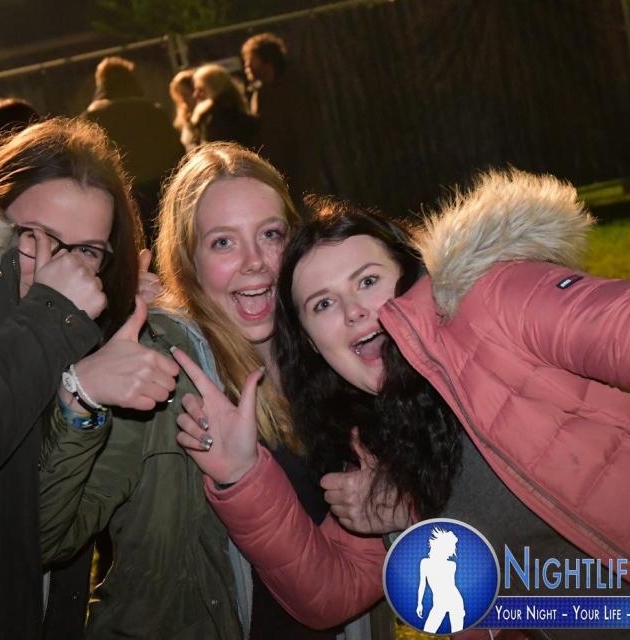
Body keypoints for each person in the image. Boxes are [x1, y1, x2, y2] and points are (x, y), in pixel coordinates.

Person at [175, 169, 630, 640]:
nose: (353, 311)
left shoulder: (495, 303)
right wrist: (242, 475)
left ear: (410, 275)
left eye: (368, 281)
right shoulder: (375, 441)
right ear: (311, 344)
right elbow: (330, 592)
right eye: (323, 304)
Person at [38, 141, 387, 639]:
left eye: (271, 234)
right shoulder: (163, 367)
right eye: (224, 243)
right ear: (188, 260)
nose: (255, 263)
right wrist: (81, 398)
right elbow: (44, 537)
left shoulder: (333, 349)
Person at [0, 117, 178, 640]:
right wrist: (55, 319)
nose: (63, 270)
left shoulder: (79, 333)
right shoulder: (53, 320)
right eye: (34, 237)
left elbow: (52, 534)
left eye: (86, 251)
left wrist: (127, 323)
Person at [85, 55, 183, 245]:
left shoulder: (93, 118)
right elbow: (176, 151)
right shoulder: (153, 111)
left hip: (122, 193)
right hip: (159, 189)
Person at [241, 32, 322, 205]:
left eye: (251, 60)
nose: (247, 65)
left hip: (297, 168)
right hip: (275, 169)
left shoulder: (293, 88)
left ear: (267, 59)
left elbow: (303, 131)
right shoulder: (260, 93)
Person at [191, 64, 259, 149]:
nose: (195, 95)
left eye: (200, 90)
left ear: (216, 89)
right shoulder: (237, 114)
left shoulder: (215, 120)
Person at [169, 68, 197, 151]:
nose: (184, 100)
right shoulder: (183, 117)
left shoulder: (206, 117)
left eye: (187, 95)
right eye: (180, 96)